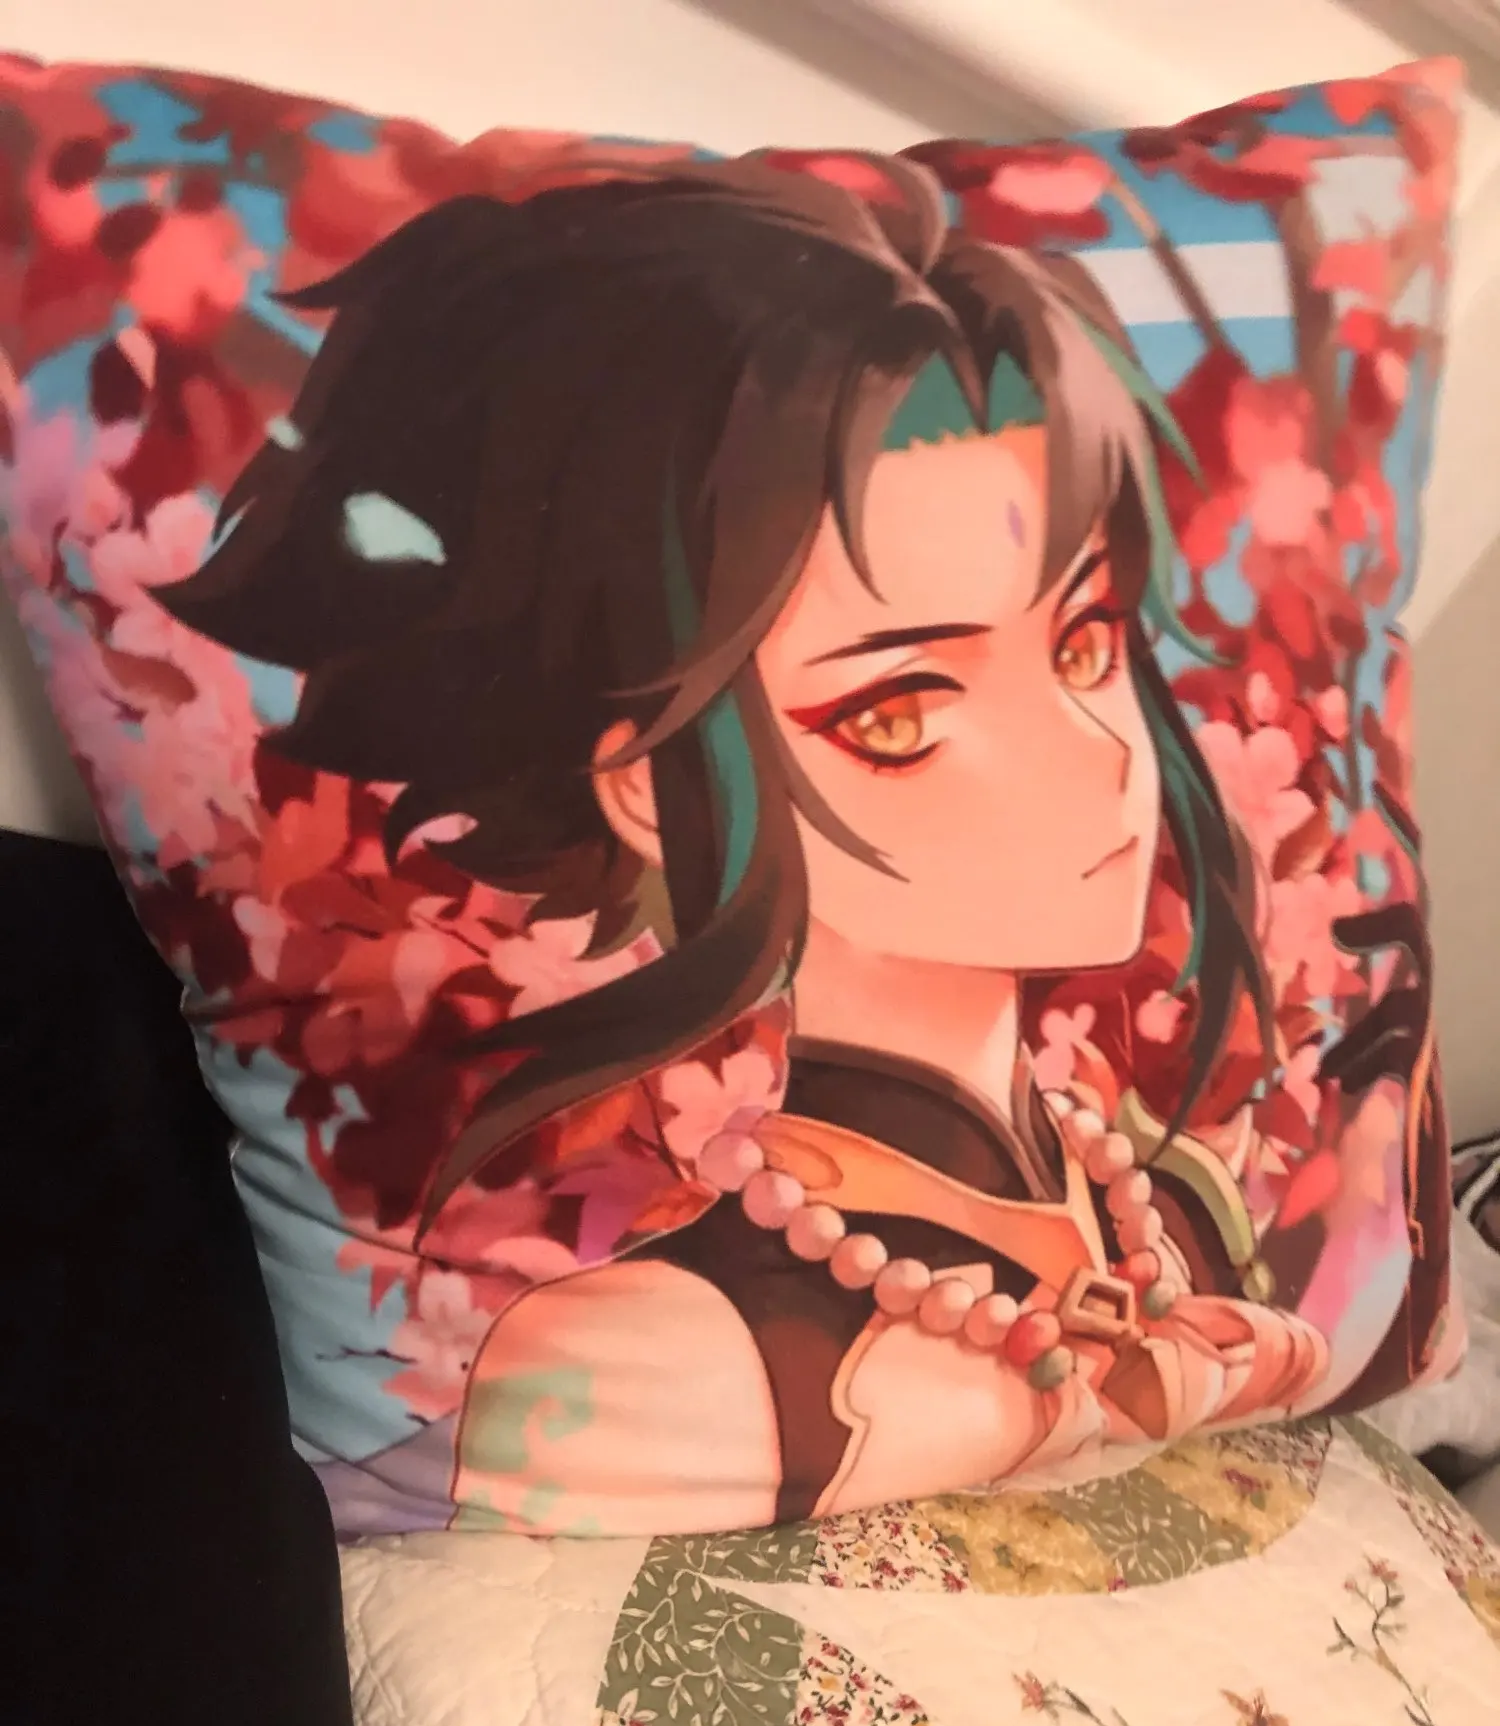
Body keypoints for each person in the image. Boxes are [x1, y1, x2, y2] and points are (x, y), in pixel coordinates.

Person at [162, 154, 1335, 1534]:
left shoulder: (1167, 1209)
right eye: (900, 710)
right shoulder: (656, 1354)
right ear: (646, 790)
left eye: (1083, 643)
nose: (1100, 758)